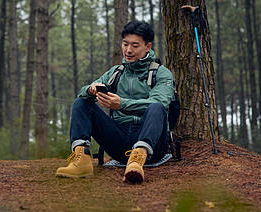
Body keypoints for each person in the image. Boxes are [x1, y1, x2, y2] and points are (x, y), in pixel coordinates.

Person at [56, 20, 175, 183]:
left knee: (156, 107)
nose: (128, 50)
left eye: (135, 45)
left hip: (152, 145)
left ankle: (137, 159)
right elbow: (83, 93)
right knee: (81, 102)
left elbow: (160, 102)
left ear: (147, 47)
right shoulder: (116, 72)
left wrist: (122, 104)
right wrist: (91, 89)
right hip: (119, 140)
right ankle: (82, 161)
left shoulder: (161, 73)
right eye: (125, 44)